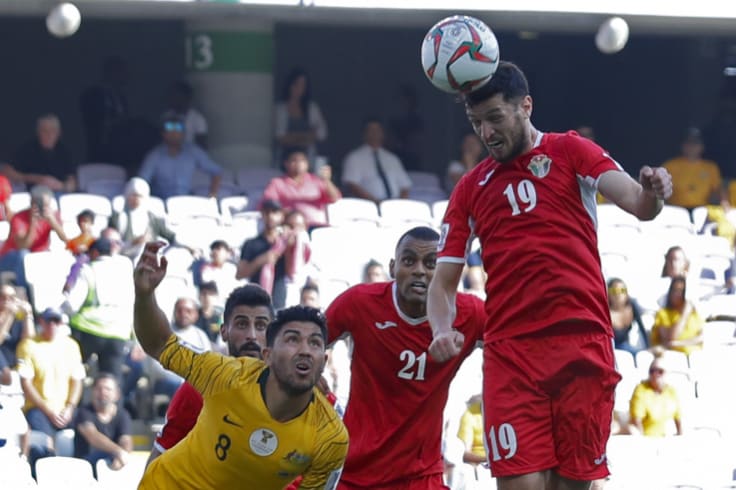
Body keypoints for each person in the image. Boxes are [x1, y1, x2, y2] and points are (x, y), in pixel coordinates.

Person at [427, 61, 673, 490]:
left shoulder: (571, 151)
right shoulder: (470, 188)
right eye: (476, 122)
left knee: (571, 486)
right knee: (520, 485)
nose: (485, 133)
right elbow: (444, 283)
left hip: (583, 348)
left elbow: (638, 202)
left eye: (494, 119)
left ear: (525, 106)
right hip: (512, 356)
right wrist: (441, 329)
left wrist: (653, 191)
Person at [133, 241, 348, 489]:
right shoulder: (220, 375)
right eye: (292, 340)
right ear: (268, 353)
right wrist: (144, 295)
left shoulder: (330, 432)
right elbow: (161, 344)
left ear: (324, 360)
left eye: (314, 343)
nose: (252, 337)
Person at [326, 226, 485, 488]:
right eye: (409, 261)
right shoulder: (359, 303)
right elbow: (307, 339)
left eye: (431, 263)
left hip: (422, 474)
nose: (420, 271)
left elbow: (518, 349)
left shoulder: (470, 314)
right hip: (357, 472)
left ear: (447, 271)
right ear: (392, 267)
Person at [146, 284, 274, 466]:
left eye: (261, 326)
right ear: (224, 331)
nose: (251, 335)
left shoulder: (290, 392)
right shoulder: (197, 387)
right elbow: (160, 459)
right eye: (242, 324)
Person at [16, 307, 85, 469]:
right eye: (49, 321)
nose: (52, 325)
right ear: (41, 321)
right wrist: (47, 410)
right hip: (38, 408)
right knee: (40, 448)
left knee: (73, 446)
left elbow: (77, 380)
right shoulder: (28, 345)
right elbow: (26, 384)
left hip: (64, 409)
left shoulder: (71, 346)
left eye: (56, 321)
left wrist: (70, 407)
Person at [64, 237, 134, 385]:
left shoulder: (89, 270)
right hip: (118, 334)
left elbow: (72, 305)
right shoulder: (126, 272)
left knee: (72, 372)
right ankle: (115, 407)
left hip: (87, 331)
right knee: (112, 380)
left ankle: (75, 405)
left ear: (95, 252)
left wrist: (61, 310)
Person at [138, 112, 222, 199]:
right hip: (162, 202)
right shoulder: (154, 155)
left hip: (186, 200)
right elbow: (142, 181)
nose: (174, 132)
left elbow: (217, 172)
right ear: (163, 134)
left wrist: (213, 195)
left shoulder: (193, 151)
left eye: (178, 128)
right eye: (169, 128)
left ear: (183, 133)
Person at [0, 185, 67, 293]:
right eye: (40, 205)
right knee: (23, 255)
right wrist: (33, 223)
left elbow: (65, 239)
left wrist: (52, 221)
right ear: (32, 203)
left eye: (46, 205)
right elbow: (23, 246)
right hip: (10, 258)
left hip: (37, 257)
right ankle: (26, 294)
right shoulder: (19, 218)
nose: (43, 208)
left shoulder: (52, 216)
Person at [262, 151, 341, 229]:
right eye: (294, 160)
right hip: (289, 226)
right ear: (286, 164)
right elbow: (269, 204)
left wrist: (327, 181)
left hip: (316, 225)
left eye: (302, 160)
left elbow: (334, 198)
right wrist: (289, 212)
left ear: (307, 164)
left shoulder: (316, 181)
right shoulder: (277, 183)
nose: (298, 163)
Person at [341, 118, 412, 204]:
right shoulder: (354, 158)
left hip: (394, 206)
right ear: (364, 134)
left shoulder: (392, 158)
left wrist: (400, 204)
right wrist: (376, 203)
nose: (374, 134)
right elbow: (352, 185)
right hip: (368, 207)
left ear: (383, 133)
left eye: (378, 130)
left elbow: (405, 186)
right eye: (371, 130)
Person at [73, 372, 133, 473]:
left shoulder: (123, 415)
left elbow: (126, 439)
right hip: (85, 466)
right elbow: (92, 436)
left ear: (117, 394)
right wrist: (118, 451)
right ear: (93, 392)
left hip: (113, 462)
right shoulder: (84, 412)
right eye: (99, 389)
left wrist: (124, 454)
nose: (103, 392)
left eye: (108, 389)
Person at [2, 114, 76, 193]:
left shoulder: (64, 152)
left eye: (53, 131)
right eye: (45, 131)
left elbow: (72, 182)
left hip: (59, 195)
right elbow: (6, 171)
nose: (49, 135)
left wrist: (61, 186)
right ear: (38, 132)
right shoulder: (28, 150)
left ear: (58, 133)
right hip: (32, 195)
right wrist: (36, 178)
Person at [237, 199, 289, 309]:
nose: (270, 216)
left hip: (278, 301)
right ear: (262, 215)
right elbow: (240, 274)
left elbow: (292, 271)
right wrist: (260, 260)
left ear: (281, 216)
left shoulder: (286, 243)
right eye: (267, 212)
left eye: (275, 212)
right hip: (255, 302)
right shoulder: (251, 244)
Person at [661, 127, 725, 211]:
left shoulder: (711, 167)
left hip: (702, 210)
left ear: (702, 146)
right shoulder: (669, 165)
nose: (692, 146)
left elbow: (718, 190)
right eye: (688, 142)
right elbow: (658, 191)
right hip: (675, 209)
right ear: (682, 145)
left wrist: (725, 206)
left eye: (696, 143)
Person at [79, 55, 129, 162]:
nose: (123, 76)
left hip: (121, 149)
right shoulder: (93, 94)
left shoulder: (121, 97)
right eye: (119, 72)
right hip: (100, 147)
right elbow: (93, 121)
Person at [274, 67, 328, 166]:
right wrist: (306, 136)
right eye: (297, 85)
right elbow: (280, 137)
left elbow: (322, 133)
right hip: (284, 161)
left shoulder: (312, 108)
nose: (300, 89)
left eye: (303, 86)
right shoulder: (280, 109)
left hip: (308, 160)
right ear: (290, 85)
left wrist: (293, 137)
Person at [628, 356, 683, 437]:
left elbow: (678, 418)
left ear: (667, 373)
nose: (655, 374)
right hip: (647, 437)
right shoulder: (641, 389)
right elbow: (636, 420)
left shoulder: (671, 391)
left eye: (660, 371)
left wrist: (680, 437)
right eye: (652, 371)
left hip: (665, 438)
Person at [650, 276, 704, 355]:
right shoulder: (663, 314)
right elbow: (671, 339)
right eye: (674, 290)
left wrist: (678, 343)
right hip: (669, 356)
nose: (677, 294)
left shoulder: (694, 315)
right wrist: (684, 314)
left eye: (681, 291)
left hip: (693, 355)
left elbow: (701, 338)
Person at [607, 277, 649, 355]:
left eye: (622, 290)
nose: (618, 294)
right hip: (610, 350)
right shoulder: (605, 311)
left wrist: (648, 348)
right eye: (614, 291)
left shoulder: (632, 306)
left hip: (626, 348)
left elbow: (642, 328)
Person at [0, 284, 35, 369]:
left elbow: (29, 338)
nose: (7, 300)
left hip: (15, 367)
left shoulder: (17, 318)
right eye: (3, 296)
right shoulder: (11, 315)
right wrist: (10, 315)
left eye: (11, 297)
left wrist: (28, 315)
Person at [166, 80, 208, 148]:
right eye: (171, 95)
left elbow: (202, 145)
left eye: (176, 95)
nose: (172, 98)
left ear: (186, 97)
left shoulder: (198, 119)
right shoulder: (167, 116)